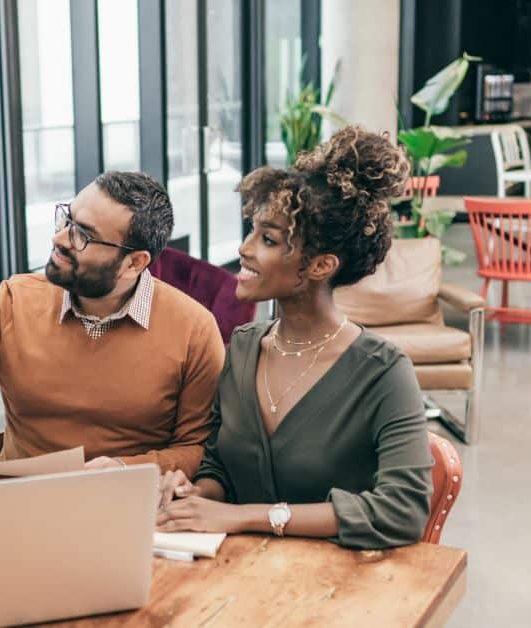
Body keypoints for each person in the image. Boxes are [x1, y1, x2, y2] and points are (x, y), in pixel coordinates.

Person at [157, 126, 434, 549]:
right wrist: (198, 496)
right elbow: (220, 465)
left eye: (268, 239)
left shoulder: (383, 372)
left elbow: (403, 510)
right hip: (237, 573)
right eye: (252, 230)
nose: (245, 248)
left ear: (320, 265)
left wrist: (246, 517)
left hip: (334, 588)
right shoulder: (245, 347)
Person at [0, 172, 225, 475]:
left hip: (124, 505)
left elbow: (199, 449)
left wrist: (125, 468)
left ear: (134, 262)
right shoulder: (15, 302)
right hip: (19, 500)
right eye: (67, 219)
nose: (60, 238)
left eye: (83, 235)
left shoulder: (193, 330)